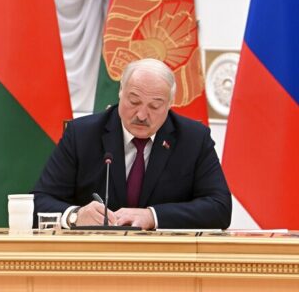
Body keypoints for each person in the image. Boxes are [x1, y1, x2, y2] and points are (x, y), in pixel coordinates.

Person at [32, 58, 231, 230]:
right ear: (121, 92)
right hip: (94, 257)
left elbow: (220, 208)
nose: (142, 115)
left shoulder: (193, 139)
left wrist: (153, 216)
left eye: (154, 106)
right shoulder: (82, 135)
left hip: (166, 261)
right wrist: (75, 216)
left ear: (170, 104)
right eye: (134, 101)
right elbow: (38, 202)